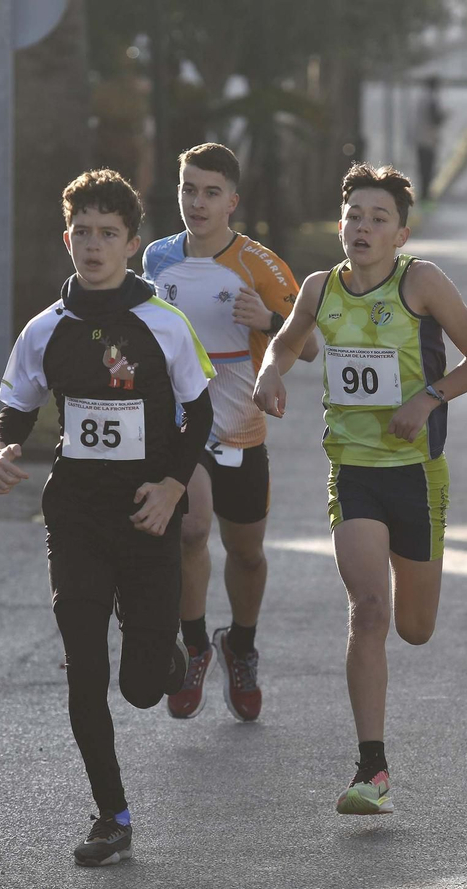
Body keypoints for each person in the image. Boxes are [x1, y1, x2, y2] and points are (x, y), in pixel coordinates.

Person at [252, 164, 467, 815]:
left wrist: (428, 397)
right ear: (340, 224)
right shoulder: (319, 286)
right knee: (368, 607)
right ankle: (373, 768)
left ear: (400, 232)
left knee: (415, 627)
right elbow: (287, 338)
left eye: (377, 218)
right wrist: (270, 374)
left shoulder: (422, 282)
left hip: (416, 474)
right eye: (354, 215)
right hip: (354, 471)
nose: (363, 227)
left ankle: (376, 758)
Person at [0, 169, 215, 867]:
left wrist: (174, 486)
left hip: (146, 516)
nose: (92, 245)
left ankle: (173, 659)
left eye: (107, 233)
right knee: (84, 665)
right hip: (77, 516)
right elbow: (14, 411)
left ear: (131, 244)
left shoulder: (163, 324)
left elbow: (200, 411)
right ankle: (112, 815)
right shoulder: (45, 330)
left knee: (142, 687)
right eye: (81, 232)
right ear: (67, 238)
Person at [143, 143, 318, 723]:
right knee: (191, 530)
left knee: (246, 553)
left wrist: (267, 321)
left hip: (241, 431)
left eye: (211, 192)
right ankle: (194, 645)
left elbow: (310, 344)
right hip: (180, 431)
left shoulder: (260, 266)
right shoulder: (156, 259)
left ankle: (239, 644)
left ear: (232, 202)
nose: (197, 202)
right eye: (188, 189)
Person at [415, 76, 446, 201]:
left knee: (423, 168)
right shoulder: (431, 99)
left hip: (421, 138)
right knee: (427, 168)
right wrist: (444, 116)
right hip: (428, 139)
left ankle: (424, 192)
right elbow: (435, 119)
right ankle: (425, 194)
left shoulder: (423, 98)